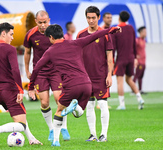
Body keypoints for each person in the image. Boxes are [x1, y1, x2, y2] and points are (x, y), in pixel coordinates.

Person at [28, 24, 120, 146]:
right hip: (87, 84)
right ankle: (75, 107)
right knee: (79, 113)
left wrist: (30, 87)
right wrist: (111, 30)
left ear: (51, 37)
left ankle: (55, 140)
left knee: (59, 110)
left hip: (71, 86)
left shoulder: (50, 51)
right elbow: (95, 35)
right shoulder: (76, 43)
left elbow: (36, 68)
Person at [0, 22, 42, 147]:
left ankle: (32, 139)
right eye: (11, 34)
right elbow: (16, 71)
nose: (12, 38)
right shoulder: (10, 49)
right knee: (21, 124)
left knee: (20, 116)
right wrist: (20, 90)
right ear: (3, 33)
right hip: (10, 91)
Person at [23, 10, 70, 142]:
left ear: (49, 20)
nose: (43, 25)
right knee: (44, 102)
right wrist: (27, 70)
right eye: (40, 22)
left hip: (56, 70)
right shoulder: (30, 34)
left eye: (45, 22)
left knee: (59, 99)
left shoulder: (54, 32)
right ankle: (51, 128)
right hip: (40, 72)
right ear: (36, 21)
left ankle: (63, 127)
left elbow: (64, 49)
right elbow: (27, 53)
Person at [77, 6, 113, 142]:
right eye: (88, 18)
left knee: (103, 104)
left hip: (101, 76)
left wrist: (109, 75)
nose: (91, 20)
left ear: (98, 17)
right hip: (86, 77)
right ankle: (93, 135)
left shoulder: (105, 34)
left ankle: (104, 135)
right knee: (90, 105)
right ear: (86, 18)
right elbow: (77, 56)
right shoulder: (80, 35)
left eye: (93, 18)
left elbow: (110, 57)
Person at [113, 11, 145, 110]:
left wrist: (112, 60)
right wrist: (135, 57)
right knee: (129, 79)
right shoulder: (131, 28)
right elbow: (134, 44)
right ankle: (139, 98)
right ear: (127, 19)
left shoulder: (116, 29)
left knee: (120, 82)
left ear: (119, 18)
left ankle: (122, 104)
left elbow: (113, 47)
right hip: (131, 58)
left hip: (121, 59)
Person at [133, 26, 147, 94]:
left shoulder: (143, 40)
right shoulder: (137, 40)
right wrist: (136, 57)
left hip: (144, 61)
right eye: (145, 32)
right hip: (139, 62)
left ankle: (140, 90)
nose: (146, 33)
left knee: (141, 76)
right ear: (141, 32)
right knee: (137, 75)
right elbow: (133, 49)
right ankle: (133, 90)